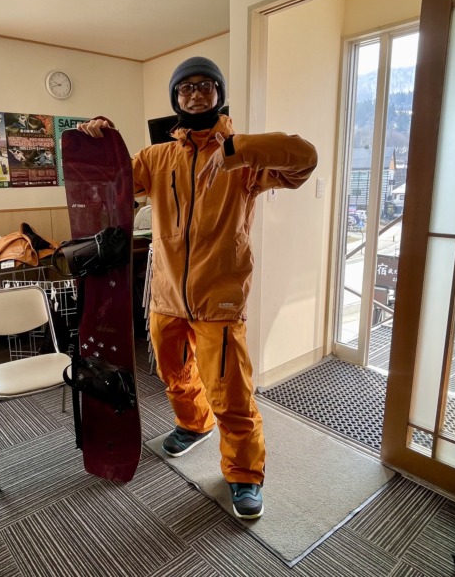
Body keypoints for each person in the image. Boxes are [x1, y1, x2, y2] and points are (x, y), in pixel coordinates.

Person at [77, 56, 317, 520]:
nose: (196, 93)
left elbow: (304, 158)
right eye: (186, 87)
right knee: (174, 375)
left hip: (219, 299)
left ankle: (244, 474)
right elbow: (110, 184)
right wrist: (100, 140)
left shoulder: (243, 160)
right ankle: (193, 423)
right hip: (166, 295)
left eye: (206, 85)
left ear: (220, 94)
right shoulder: (157, 158)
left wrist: (237, 148)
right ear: (175, 98)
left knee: (230, 393)